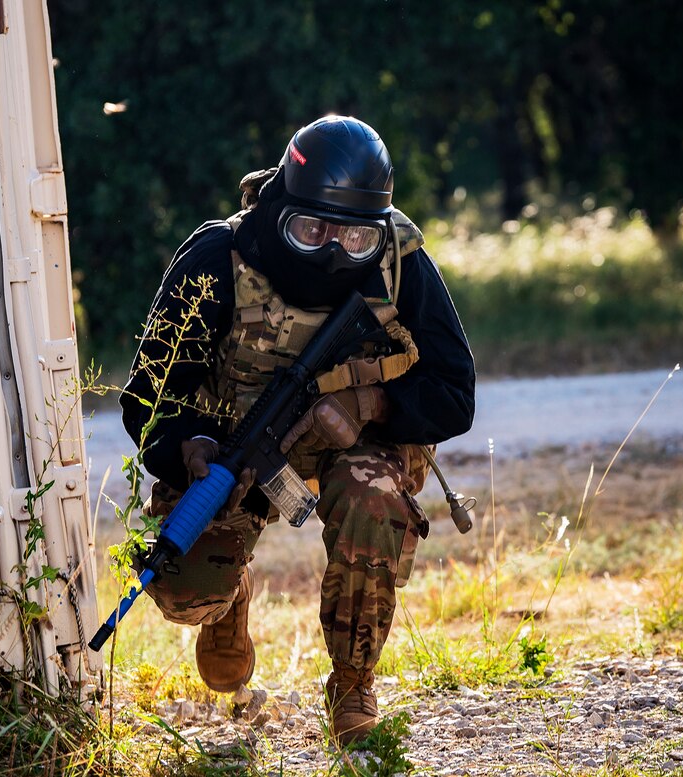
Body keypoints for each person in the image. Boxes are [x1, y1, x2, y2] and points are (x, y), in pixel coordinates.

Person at [120, 115, 475, 744]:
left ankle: (353, 683)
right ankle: (228, 600)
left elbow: (454, 394)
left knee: (373, 495)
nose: (333, 252)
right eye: (310, 231)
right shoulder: (218, 258)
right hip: (236, 445)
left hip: (354, 442)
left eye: (355, 240)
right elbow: (149, 395)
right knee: (184, 591)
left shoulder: (399, 263)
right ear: (282, 204)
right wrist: (190, 451)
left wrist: (373, 407)